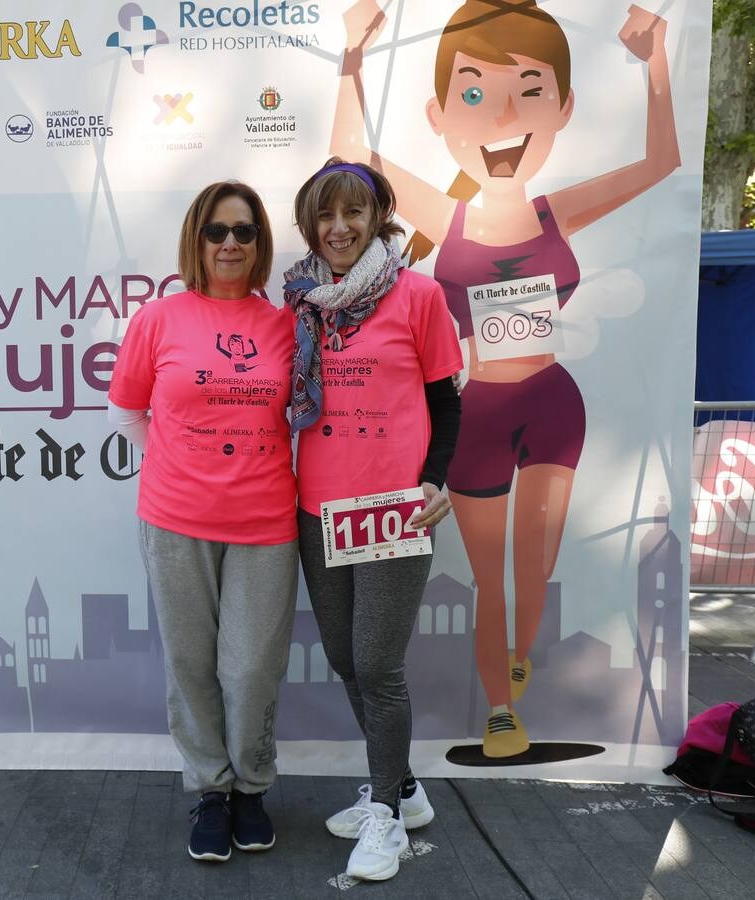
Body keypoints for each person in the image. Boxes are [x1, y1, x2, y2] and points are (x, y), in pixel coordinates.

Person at [332, 0, 679, 758]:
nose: (502, 117)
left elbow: (661, 166)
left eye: (529, 89)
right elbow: (350, 158)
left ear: (562, 107)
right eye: (476, 93)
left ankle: (518, 652)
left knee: (535, 566)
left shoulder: (558, 212)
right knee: (491, 578)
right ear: (440, 113)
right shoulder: (443, 215)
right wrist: (353, 58)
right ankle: (501, 708)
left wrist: (655, 59)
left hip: (553, 405)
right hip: (479, 413)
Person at [107, 181, 298, 863]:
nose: (229, 244)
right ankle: (211, 794)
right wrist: (174, 464)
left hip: (267, 520)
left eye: (244, 232)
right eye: (217, 231)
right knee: (190, 664)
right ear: (196, 239)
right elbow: (128, 410)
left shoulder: (287, 324)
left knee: (249, 669)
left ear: (260, 243)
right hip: (175, 519)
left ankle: (252, 788)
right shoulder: (157, 320)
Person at [287, 158, 463, 881]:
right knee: (342, 656)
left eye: (353, 213)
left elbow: (447, 402)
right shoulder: (301, 303)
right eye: (326, 215)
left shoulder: (419, 297)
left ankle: (386, 816)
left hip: (391, 509)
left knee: (378, 666)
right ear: (310, 225)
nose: (339, 228)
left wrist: (433, 482)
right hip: (316, 507)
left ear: (378, 218)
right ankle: (406, 792)